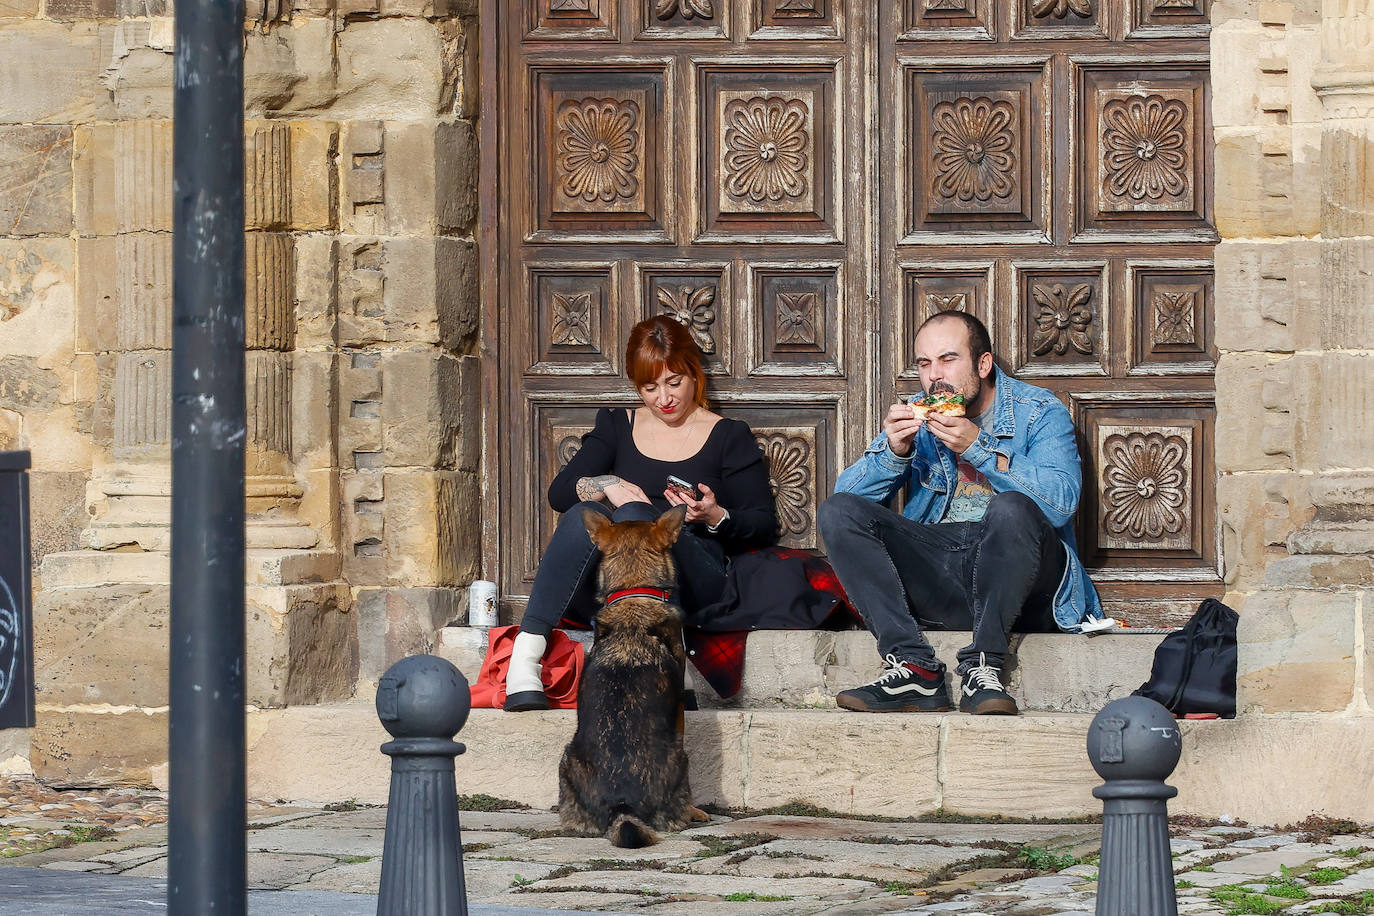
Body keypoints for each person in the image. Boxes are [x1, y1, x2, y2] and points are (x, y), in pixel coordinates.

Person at [817, 310, 1102, 716]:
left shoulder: (1038, 410)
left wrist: (978, 448)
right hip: (945, 572)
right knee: (838, 510)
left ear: (983, 364)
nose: (935, 375)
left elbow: (1061, 504)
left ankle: (984, 664)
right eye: (924, 363)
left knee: (1011, 507)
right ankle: (913, 665)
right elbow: (849, 500)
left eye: (948, 359)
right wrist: (894, 455)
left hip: (1022, 583)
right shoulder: (919, 411)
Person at [504, 316, 781, 711]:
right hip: (612, 585)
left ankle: (671, 654)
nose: (663, 399)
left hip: (692, 580)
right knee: (585, 510)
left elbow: (763, 524)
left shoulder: (728, 435)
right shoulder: (617, 425)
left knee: (635, 512)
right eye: (649, 387)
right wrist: (605, 484)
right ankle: (525, 659)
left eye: (674, 383)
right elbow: (559, 492)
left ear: (693, 374)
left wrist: (715, 514)